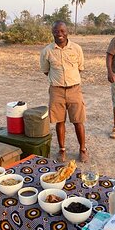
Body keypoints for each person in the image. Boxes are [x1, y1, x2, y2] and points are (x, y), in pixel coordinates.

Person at [40, 20, 88, 163]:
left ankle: (83, 150)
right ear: (52, 32)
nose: (59, 34)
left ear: (67, 31)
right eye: (56, 31)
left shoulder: (77, 49)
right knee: (59, 121)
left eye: (62, 31)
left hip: (74, 89)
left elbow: (80, 67)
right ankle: (62, 150)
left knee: (78, 121)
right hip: (56, 91)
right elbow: (46, 70)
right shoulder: (47, 51)